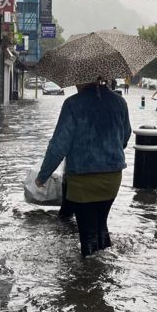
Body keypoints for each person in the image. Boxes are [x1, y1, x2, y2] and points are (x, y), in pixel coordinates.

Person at [35, 78, 131, 258]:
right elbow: (125, 136)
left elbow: (59, 145)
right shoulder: (119, 102)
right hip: (112, 177)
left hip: (82, 178)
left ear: (81, 79)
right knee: (101, 226)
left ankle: (88, 278)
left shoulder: (72, 104)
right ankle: (105, 272)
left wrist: (43, 175)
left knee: (87, 233)